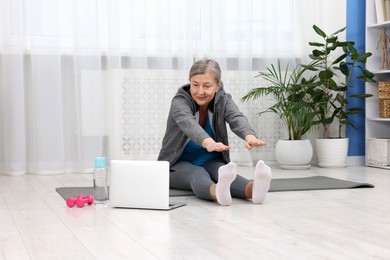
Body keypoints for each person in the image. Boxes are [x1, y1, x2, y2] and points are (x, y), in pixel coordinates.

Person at [158, 59, 272, 206]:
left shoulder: (223, 100)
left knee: (223, 172)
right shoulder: (179, 102)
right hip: (175, 165)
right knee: (197, 174)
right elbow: (189, 125)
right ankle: (217, 192)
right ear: (189, 82)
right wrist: (208, 142)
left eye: (207, 86)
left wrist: (249, 136)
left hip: (209, 161)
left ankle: (254, 190)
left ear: (218, 85)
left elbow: (236, 117)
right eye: (195, 85)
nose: (200, 91)